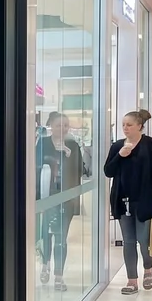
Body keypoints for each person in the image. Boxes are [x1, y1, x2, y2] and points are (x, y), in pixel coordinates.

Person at [104, 110, 152, 295]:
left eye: (129, 125)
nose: (125, 128)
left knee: (143, 239)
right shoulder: (117, 146)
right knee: (128, 241)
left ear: (139, 126)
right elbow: (108, 171)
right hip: (122, 200)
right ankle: (132, 280)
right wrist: (120, 155)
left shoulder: (149, 144)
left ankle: (148, 268)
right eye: (123, 125)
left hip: (145, 200)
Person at [36, 111, 88, 291]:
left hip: (66, 198)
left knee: (61, 237)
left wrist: (68, 155)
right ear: (51, 126)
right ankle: (45, 265)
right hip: (47, 196)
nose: (63, 128)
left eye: (66, 125)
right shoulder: (43, 143)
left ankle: (59, 275)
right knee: (46, 234)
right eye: (59, 125)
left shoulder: (72, 144)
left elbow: (81, 170)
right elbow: (35, 167)